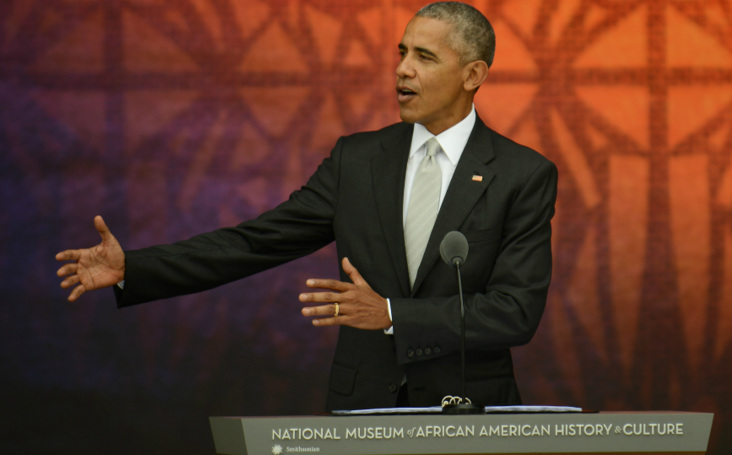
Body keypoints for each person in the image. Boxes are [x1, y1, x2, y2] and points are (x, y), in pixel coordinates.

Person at [56, 2, 557, 410]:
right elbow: (255, 243)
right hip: (363, 407)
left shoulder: (523, 174)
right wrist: (134, 269)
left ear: (473, 74)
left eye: (424, 57)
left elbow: (515, 313)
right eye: (402, 52)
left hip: (470, 411)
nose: (402, 69)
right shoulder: (357, 160)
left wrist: (390, 314)